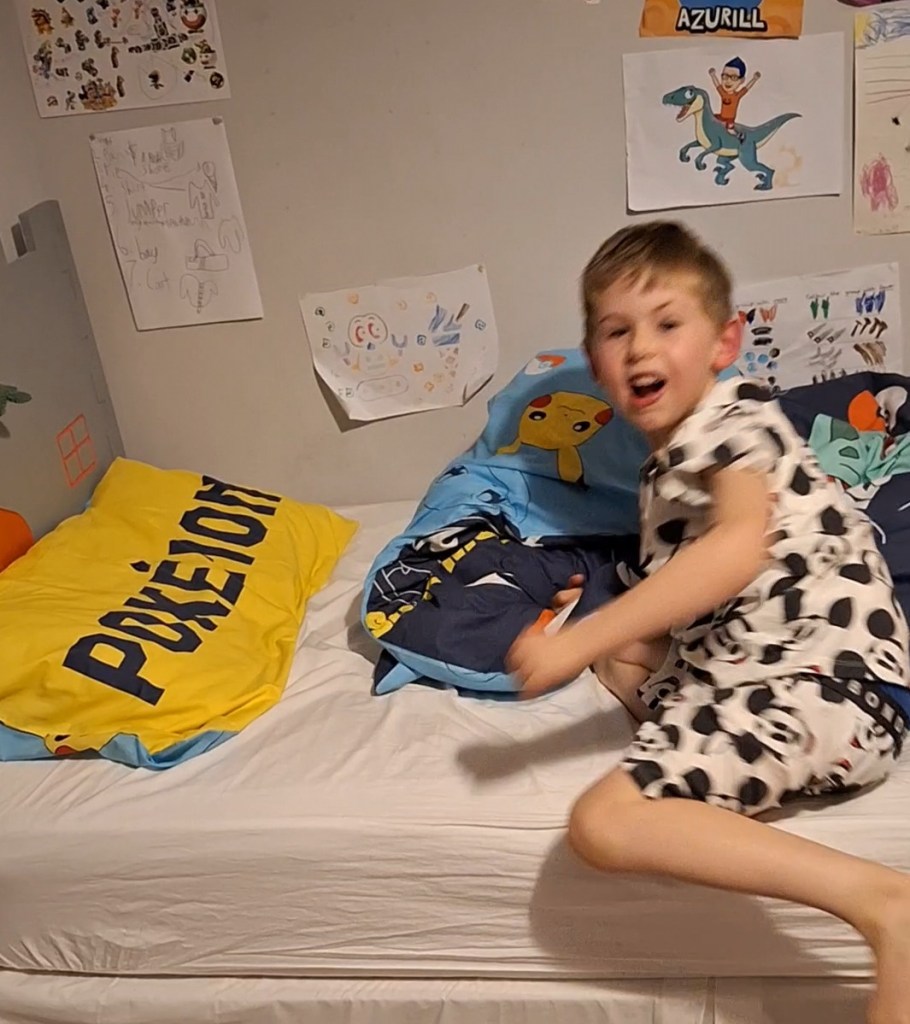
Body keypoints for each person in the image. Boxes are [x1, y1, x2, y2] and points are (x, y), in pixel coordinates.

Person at [506, 221, 910, 1024]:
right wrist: (606, 637)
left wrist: (576, 643)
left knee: (604, 821)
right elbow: (701, 598)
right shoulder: (675, 462)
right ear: (595, 362)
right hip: (800, 674)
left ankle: (884, 905)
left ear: (725, 342)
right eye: (616, 332)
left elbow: (733, 550)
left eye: (667, 323)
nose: (640, 348)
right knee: (627, 658)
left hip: (827, 684)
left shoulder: (731, 421)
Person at [709, 57, 760, 140]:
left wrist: (754, 79)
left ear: (742, 81)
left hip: (730, 119)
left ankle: (739, 136)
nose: (728, 81)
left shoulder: (737, 96)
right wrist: (713, 75)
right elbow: (717, 85)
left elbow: (746, 88)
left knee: (730, 130)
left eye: (734, 77)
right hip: (721, 117)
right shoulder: (723, 93)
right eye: (725, 76)